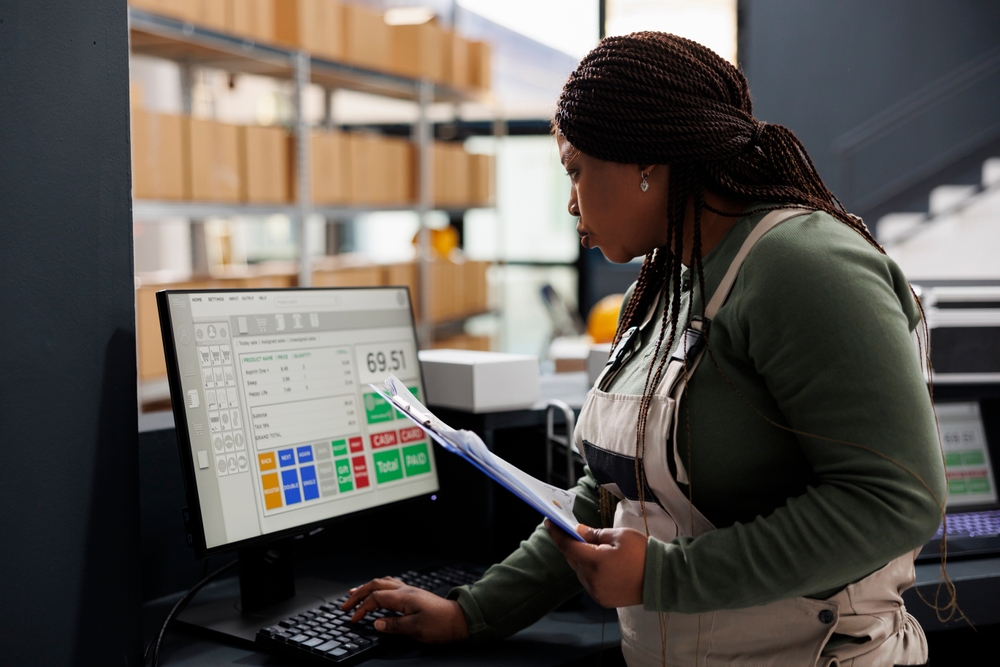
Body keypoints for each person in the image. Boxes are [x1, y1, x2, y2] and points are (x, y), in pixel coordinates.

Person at [343, 32, 946, 666]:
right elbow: (606, 495)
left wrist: (665, 576)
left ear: (646, 163)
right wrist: (475, 611)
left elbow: (895, 499)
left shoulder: (803, 266)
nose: (569, 200)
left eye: (575, 169)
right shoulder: (672, 278)